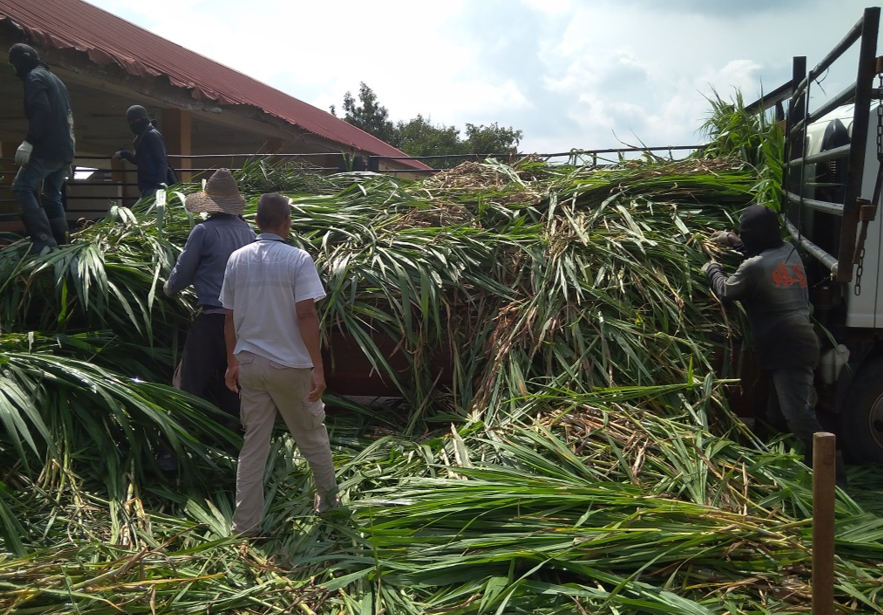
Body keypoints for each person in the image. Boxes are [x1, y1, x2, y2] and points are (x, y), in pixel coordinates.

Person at [702, 204, 847, 488]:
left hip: (786, 347)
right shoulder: (790, 251)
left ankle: (835, 482)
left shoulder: (754, 267)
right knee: (774, 415)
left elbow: (726, 291)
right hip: (798, 340)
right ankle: (786, 471)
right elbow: (760, 254)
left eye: (745, 234)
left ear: (755, 235)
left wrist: (712, 268)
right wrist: (733, 241)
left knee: (798, 418)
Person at [221, 192, 338, 537]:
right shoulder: (297, 259)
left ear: (256, 222)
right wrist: (317, 368)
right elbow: (306, 313)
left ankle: (245, 526)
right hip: (290, 367)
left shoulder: (236, 259)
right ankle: (330, 507)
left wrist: (232, 363)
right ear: (287, 223)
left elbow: (228, 319)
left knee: (254, 443)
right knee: (312, 437)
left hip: (251, 364)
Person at [164, 168, 255, 448]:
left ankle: (171, 449)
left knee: (187, 384)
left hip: (212, 321)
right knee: (234, 384)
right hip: (243, 325)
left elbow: (182, 273)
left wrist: (168, 289)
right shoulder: (249, 234)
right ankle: (232, 445)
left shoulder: (203, 231)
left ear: (210, 206)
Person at [8, 43, 75, 253]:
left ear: (23, 61)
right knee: (51, 195)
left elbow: (42, 110)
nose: (15, 70)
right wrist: (70, 152)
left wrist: (29, 141)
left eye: (14, 65)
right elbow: (68, 118)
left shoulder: (34, 77)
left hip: (48, 147)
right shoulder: (56, 80)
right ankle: (63, 240)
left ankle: (44, 240)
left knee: (22, 187)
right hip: (64, 149)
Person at [113, 105, 177, 201]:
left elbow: (161, 161)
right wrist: (124, 154)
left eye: (136, 120)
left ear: (144, 118)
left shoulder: (152, 135)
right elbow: (139, 160)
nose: (133, 123)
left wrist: (160, 186)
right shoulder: (141, 137)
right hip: (147, 185)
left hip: (154, 185)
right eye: (131, 122)